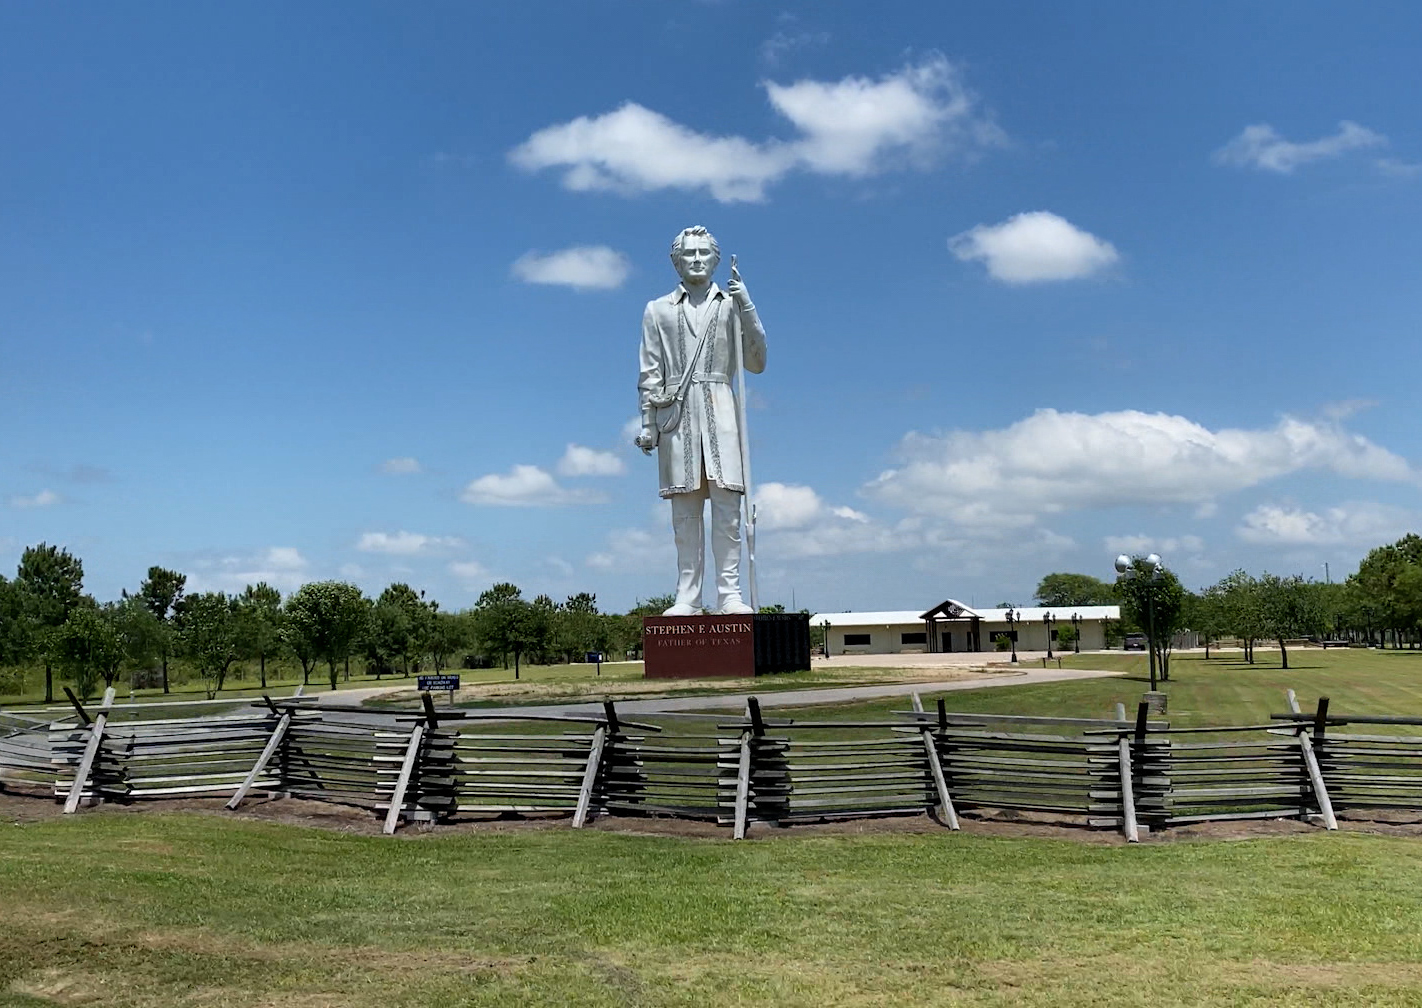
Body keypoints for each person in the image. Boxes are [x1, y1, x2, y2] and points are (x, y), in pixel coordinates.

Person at [636, 226, 767, 616]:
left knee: (728, 509)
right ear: (676, 260)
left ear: (714, 259)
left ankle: (730, 594)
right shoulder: (657, 310)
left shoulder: (731, 305)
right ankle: (688, 596)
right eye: (688, 253)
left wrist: (747, 305)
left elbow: (756, 363)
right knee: (685, 515)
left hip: (721, 407)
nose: (696, 260)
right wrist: (647, 422)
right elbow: (649, 372)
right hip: (676, 416)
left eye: (703, 253)